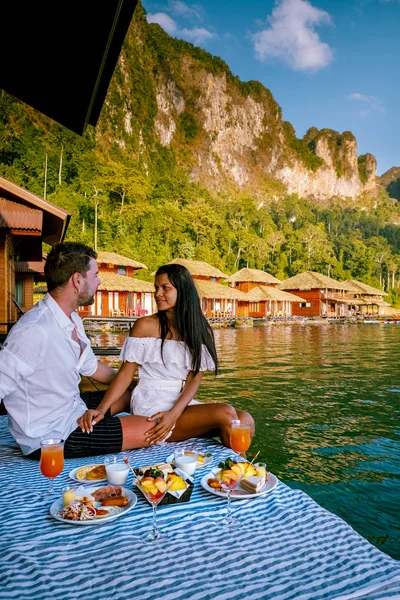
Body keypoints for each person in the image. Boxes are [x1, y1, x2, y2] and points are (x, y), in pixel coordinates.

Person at [0, 242, 154, 458]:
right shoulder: (33, 330)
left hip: (72, 406)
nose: (99, 280)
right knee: (151, 428)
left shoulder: (71, 319)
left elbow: (92, 368)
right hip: (50, 434)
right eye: (96, 274)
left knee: (134, 394)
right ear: (77, 280)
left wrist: (134, 382)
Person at [78, 264, 255, 446]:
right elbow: (125, 374)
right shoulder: (145, 325)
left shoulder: (200, 331)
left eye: (165, 288)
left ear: (183, 291)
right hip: (151, 401)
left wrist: (174, 414)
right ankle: (243, 472)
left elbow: (193, 379)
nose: (157, 294)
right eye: (156, 287)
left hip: (179, 402)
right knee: (225, 413)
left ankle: (239, 470)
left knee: (245, 420)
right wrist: (101, 409)